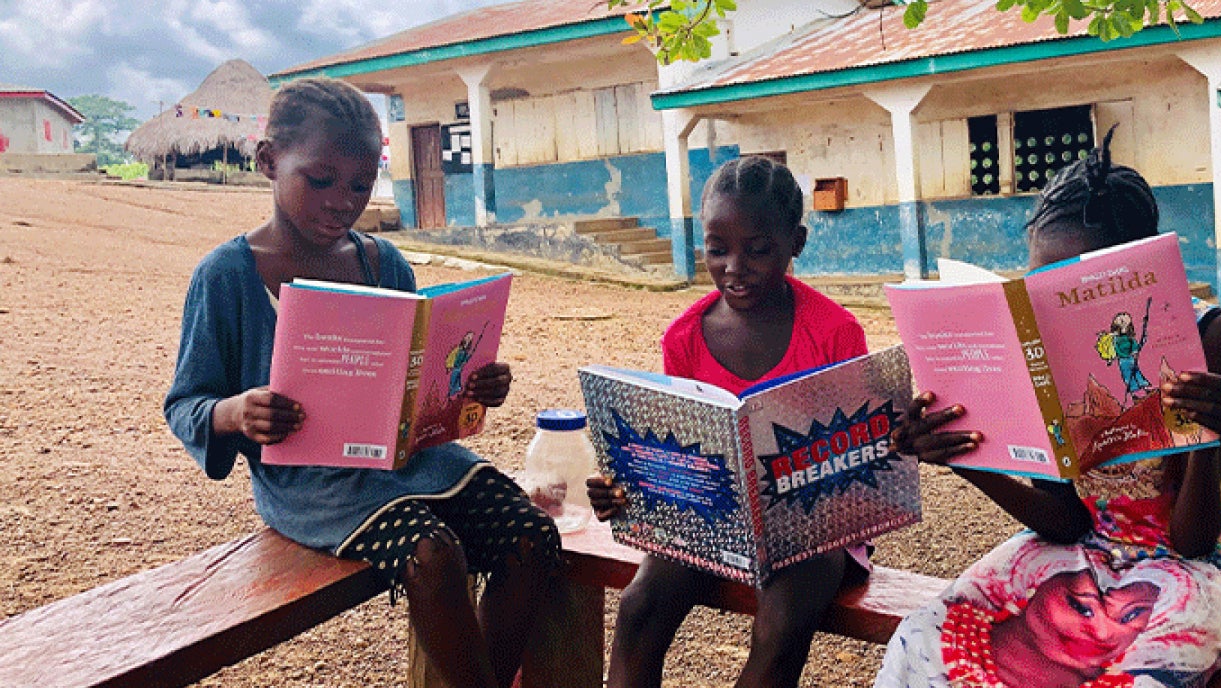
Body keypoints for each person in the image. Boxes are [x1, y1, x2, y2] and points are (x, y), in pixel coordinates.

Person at [162, 77, 558, 688]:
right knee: (433, 556)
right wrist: (236, 412)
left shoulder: (380, 263)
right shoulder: (227, 276)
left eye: (360, 183)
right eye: (319, 179)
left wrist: (472, 387)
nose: (341, 200)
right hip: (309, 485)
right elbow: (185, 403)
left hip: (410, 462)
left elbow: (418, 378)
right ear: (269, 162)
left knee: (532, 537)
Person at [875, 128, 1221, 688]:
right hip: (1081, 548)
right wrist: (963, 459)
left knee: (1153, 670)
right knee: (920, 642)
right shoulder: (1042, 355)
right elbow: (1066, 521)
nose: (1052, 304)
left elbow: (1193, 540)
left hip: (1191, 565)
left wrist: (1210, 439)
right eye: (1040, 284)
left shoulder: (1205, 333)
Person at [586, 156, 870, 688]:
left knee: (781, 626)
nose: (734, 267)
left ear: (797, 243)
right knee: (639, 606)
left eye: (758, 250)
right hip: (712, 519)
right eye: (717, 249)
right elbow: (676, 456)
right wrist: (628, 489)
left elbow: (858, 455)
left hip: (815, 527)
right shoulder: (684, 338)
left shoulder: (835, 332)